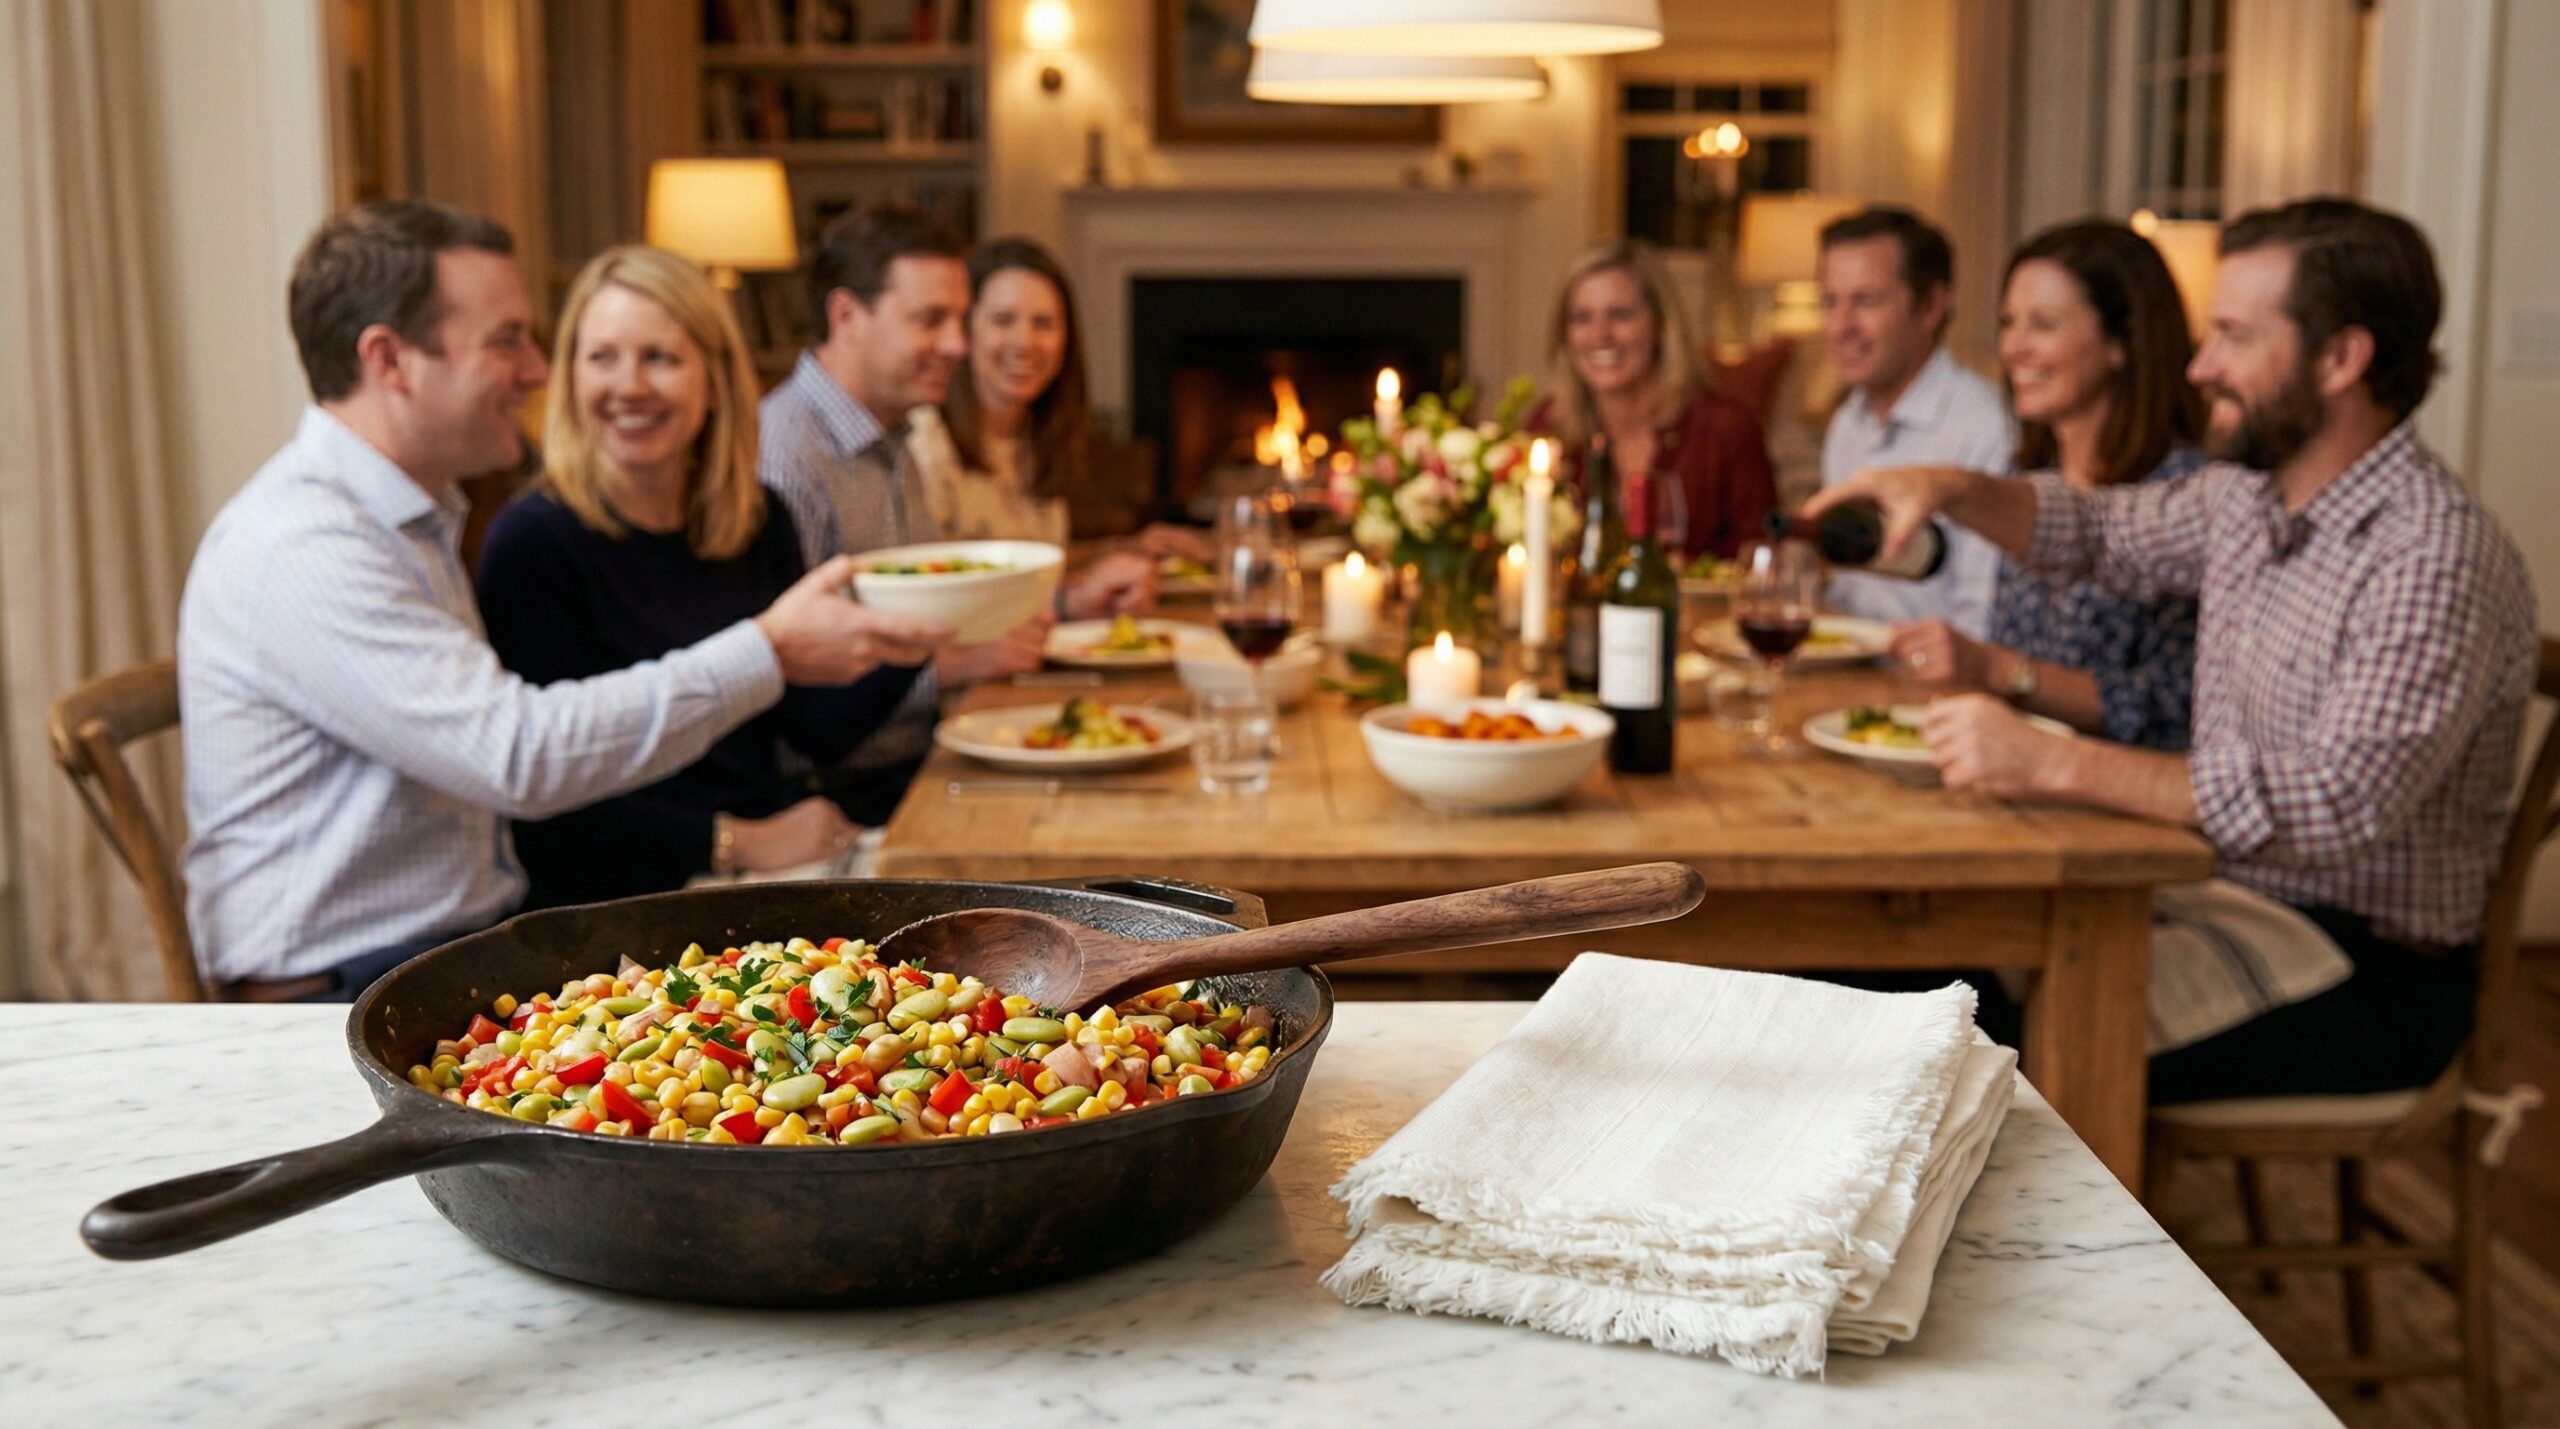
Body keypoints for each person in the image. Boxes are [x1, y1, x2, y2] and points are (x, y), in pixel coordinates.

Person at [1811, 197, 2538, 1102]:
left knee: (1965, 1042)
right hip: (2205, 886)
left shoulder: (2430, 552)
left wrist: (2047, 760)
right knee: (1888, 974)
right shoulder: (2248, 498)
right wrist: (1947, 487)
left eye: (2234, 336)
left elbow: (2331, 802)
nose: (2201, 364)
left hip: (2363, 963)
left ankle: (2056, 1239)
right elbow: (2096, 529)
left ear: (2342, 358)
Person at [178, 201, 947, 1000]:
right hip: (345, 989)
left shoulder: (412, 522)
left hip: (452, 949)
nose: (540, 372)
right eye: (508, 340)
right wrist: (767, 651)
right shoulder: (311, 544)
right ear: (390, 360)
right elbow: (521, 758)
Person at [475, 247, 922, 908]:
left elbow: (809, 728)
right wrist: (737, 840)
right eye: (601, 357)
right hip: (622, 900)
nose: (628, 385)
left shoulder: (756, 515)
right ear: (569, 378)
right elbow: (548, 805)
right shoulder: (531, 541)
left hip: (764, 874)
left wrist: (916, 634)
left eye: (660, 358)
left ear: (714, 380)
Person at [760, 206, 1152, 821]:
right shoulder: (785, 458)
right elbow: (793, 704)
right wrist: (958, 664)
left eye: (957, 321)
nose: (958, 346)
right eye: (931, 320)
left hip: (926, 756)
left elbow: (931, 621)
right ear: (846, 317)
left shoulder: (892, 443)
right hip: (842, 794)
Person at [1890, 220, 2207, 751]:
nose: (2014, 347)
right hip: (2016, 775)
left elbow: (2173, 708)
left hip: (2127, 803)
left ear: (2121, 342)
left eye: (2044, 324)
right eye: (2009, 322)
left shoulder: (2183, 493)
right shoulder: (2029, 478)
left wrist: (1993, 667)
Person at [912, 235, 1208, 563]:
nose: (1025, 342)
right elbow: (945, 584)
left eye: (1044, 323)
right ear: (965, 331)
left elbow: (1036, 565)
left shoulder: (1035, 436)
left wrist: (1127, 549)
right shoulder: (926, 445)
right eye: (1003, 320)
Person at [1815, 207, 2016, 635]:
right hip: (1851, 670)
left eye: (1865, 301)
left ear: (1931, 307)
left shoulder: (1985, 429)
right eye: (1830, 302)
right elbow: (1848, 590)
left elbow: (1983, 623)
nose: (1840, 326)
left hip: (1936, 686)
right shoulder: (1848, 422)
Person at [1539, 239, 1774, 562]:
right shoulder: (1546, 428)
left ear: (1660, 324)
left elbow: (1762, 554)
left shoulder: (1726, 429)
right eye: (1582, 318)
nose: (1600, 335)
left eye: (1620, 315)